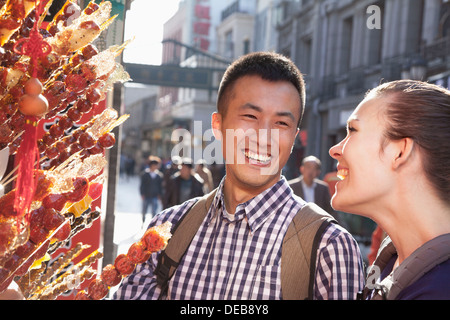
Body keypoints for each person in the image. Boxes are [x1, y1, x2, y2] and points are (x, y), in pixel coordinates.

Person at [114, 52, 364, 300]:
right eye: (250, 117)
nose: (264, 136)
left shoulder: (329, 247)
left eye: (281, 124)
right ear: (218, 125)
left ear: (294, 137)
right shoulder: (169, 229)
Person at [329, 80, 450, 300]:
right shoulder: (393, 263)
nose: (335, 149)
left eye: (352, 130)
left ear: (400, 152)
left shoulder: (439, 289)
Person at [289, 155, 338, 221]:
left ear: (318, 172)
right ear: (302, 169)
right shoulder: (291, 186)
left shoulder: (323, 188)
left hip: (317, 224)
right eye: (308, 167)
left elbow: (330, 210)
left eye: (314, 168)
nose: (310, 171)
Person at [139, 156, 163, 223]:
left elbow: (160, 186)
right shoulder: (145, 174)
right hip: (146, 195)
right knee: (144, 210)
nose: (155, 167)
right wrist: (142, 194)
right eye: (154, 165)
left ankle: (153, 223)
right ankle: (143, 221)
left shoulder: (159, 175)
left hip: (154, 195)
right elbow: (142, 185)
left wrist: (160, 194)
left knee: (154, 211)